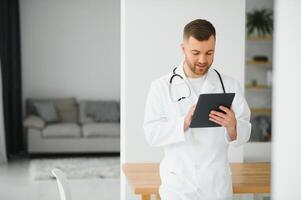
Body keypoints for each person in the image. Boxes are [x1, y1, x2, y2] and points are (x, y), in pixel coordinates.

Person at [143, 19, 251, 200]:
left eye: (210, 53)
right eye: (196, 52)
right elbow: (151, 134)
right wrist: (183, 123)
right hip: (178, 186)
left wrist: (233, 126)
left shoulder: (230, 85)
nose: (203, 60)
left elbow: (246, 130)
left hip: (216, 187)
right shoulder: (161, 86)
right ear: (183, 48)